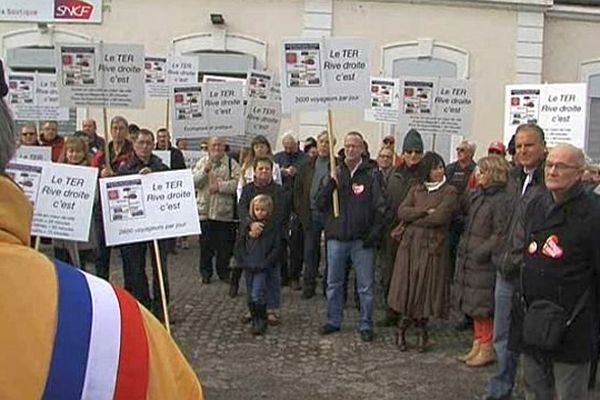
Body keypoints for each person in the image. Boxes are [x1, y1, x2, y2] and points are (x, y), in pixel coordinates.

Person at [0, 93, 203, 398]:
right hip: (111, 237)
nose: (144, 146)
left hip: (151, 230)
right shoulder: (125, 331)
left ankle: (159, 302)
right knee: (132, 270)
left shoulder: (120, 327)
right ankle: (142, 296)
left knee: (152, 270)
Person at [507, 144, 600, 400]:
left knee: (569, 394)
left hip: (572, 326)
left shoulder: (593, 213)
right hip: (534, 320)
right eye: (550, 165)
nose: (553, 171)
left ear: (580, 173)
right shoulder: (537, 205)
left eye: (562, 166)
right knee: (534, 391)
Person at [484, 123, 547, 400]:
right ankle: (501, 389)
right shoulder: (511, 178)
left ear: (543, 147)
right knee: (502, 336)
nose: (523, 150)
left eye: (529, 145)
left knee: (535, 340)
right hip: (505, 269)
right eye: (519, 145)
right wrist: (499, 252)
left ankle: (534, 392)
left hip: (533, 272)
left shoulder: (549, 179)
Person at [317, 131, 387, 342]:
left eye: (354, 146)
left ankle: (366, 322)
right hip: (337, 238)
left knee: (365, 285)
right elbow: (319, 204)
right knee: (334, 283)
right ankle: (333, 320)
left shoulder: (372, 174)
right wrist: (331, 185)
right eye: (347, 145)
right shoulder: (335, 171)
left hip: (361, 240)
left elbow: (381, 207)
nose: (350, 149)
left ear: (362, 149)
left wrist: (374, 234)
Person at [387, 152, 457, 352]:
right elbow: (402, 211)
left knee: (425, 288)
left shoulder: (449, 191)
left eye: (441, 167)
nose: (439, 171)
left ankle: (422, 331)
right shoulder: (416, 189)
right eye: (435, 168)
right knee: (407, 287)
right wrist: (424, 212)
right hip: (410, 246)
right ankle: (401, 329)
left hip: (432, 247)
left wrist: (415, 217)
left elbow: (440, 218)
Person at [454, 155, 511, 367]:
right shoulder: (479, 196)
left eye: (482, 171)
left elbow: (500, 233)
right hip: (471, 257)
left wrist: (480, 251)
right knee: (473, 305)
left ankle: (487, 346)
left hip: (484, 261)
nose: (478, 175)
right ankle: (477, 343)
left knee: (483, 306)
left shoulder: (501, 200)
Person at [117, 129, 170, 320]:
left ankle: (161, 306)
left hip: (157, 225)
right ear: (134, 144)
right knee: (135, 267)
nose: (145, 147)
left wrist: (154, 176)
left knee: (159, 267)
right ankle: (141, 305)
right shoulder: (125, 167)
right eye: (141, 143)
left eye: (149, 143)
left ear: (153, 144)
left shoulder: (161, 166)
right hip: (134, 225)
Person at [377, 129, 424, 327]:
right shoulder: (394, 174)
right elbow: (385, 200)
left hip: (416, 234)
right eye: (409, 151)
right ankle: (391, 311)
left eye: (417, 152)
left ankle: (412, 314)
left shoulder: (426, 176)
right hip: (392, 231)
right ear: (403, 153)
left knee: (413, 276)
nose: (413, 155)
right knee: (389, 274)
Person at [238, 156, 288, 325]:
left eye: (267, 169)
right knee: (251, 275)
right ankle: (252, 308)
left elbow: (281, 213)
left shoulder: (279, 191)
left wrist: (264, 228)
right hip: (251, 237)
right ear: (255, 170)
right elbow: (242, 210)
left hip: (272, 237)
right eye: (261, 169)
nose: (264, 171)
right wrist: (251, 225)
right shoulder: (247, 190)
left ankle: (272, 309)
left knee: (272, 275)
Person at [90, 115, 134, 281]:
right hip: (103, 208)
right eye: (114, 129)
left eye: (121, 129)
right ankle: (103, 286)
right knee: (101, 254)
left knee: (128, 255)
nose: (117, 132)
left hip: (124, 208)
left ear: (126, 131)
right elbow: (90, 174)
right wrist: (100, 174)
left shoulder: (132, 152)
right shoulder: (103, 153)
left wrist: (117, 175)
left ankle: (130, 289)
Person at [192, 137, 240, 285]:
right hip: (205, 211)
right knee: (205, 246)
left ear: (224, 146)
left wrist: (220, 187)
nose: (217, 148)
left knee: (224, 247)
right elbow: (193, 182)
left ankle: (223, 272)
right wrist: (204, 172)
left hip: (223, 213)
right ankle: (205, 273)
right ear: (209, 147)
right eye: (214, 145)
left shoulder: (232, 164)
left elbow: (237, 184)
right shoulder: (201, 163)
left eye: (220, 145)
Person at [294, 131, 334, 299]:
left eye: (328, 142)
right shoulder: (307, 165)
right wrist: (300, 211)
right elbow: (298, 190)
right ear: (317, 144)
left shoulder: (336, 166)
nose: (324, 145)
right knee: (310, 251)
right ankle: (309, 286)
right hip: (310, 214)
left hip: (331, 215)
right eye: (322, 142)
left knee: (331, 254)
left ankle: (328, 286)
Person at [234, 194, 281, 336]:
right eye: (257, 209)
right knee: (250, 294)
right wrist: (243, 260)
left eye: (263, 210)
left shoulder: (273, 228)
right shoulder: (246, 228)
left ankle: (260, 318)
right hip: (249, 265)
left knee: (257, 293)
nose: (260, 212)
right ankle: (255, 317)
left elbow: (277, 248)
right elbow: (240, 245)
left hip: (262, 266)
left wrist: (267, 262)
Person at [52, 136, 96, 269]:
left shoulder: (91, 172)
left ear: (84, 153)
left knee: (80, 266)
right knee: (61, 265)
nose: (74, 155)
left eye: (78, 151)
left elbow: (95, 199)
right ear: (65, 153)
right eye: (71, 151)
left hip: (82, 227)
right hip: (61, 227)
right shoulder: (57, 172)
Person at [274, 132, 307, 289]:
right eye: (285, 147)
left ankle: (295, 275)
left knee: (296, 242)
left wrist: (297, 172)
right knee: (280, 241)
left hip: (298, 205)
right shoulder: (278, 157)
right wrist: (282, 172)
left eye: (291, 147)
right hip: (281, 203)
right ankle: (283, 274)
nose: (288, 150)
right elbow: (272, 174)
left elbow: (307, 175)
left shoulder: (305, 158)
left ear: (297, 144)